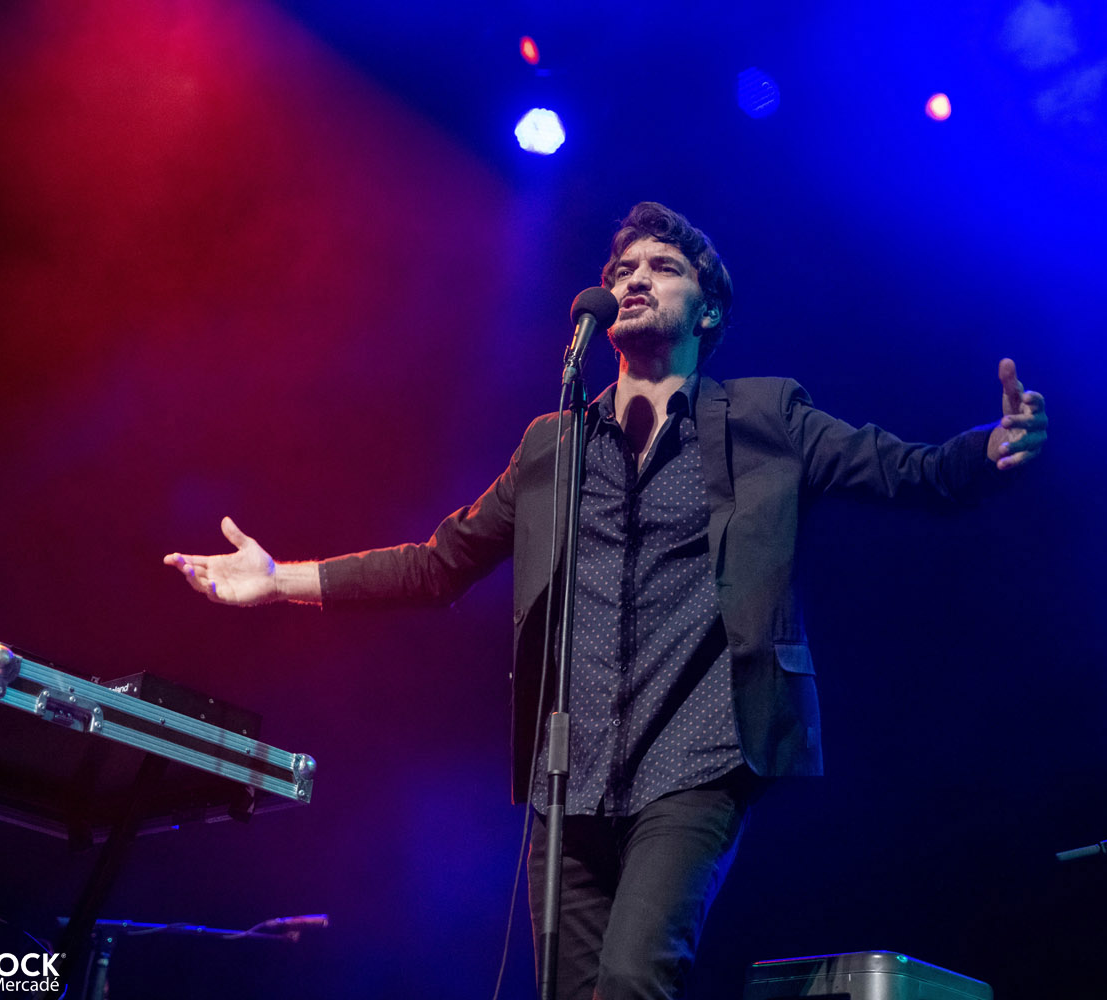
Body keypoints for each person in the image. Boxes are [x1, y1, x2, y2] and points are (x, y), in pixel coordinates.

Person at [164, 202, 1047, 1000]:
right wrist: (280, 579)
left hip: (698, 764)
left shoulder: (765, 417)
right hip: (570, 778)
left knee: (632, 982)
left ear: (708, 311)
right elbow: (440, 564)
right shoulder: (554, 444)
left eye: (662, 267)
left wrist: (989, 448)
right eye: (623, 269)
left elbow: (905, 470)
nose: (634, 279)